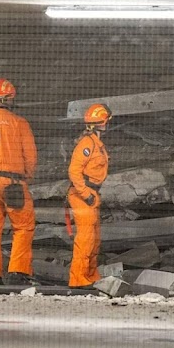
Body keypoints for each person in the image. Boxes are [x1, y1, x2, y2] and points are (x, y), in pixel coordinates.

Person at [0, 78, 38, 286]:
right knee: (23, 226)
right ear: (11, 98)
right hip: (12, 182)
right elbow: (30, 157)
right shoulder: (19, 123)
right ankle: (17, 273)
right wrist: (26, 177)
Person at [67, 103, 112, 288]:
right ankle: (78, 280)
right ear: (102, 122)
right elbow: (73, 171)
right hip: (83, 194)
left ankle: (91, 276)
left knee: (94, 240)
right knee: (85, 239)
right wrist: (86, 194)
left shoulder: (96, 143)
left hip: (91, 194)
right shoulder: (87, 144)